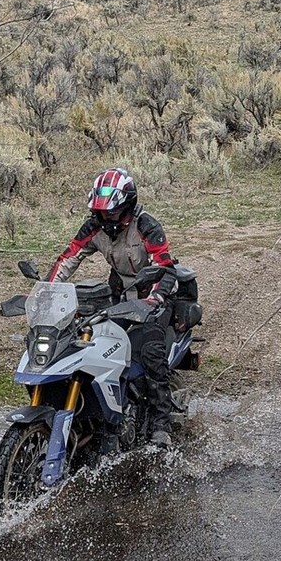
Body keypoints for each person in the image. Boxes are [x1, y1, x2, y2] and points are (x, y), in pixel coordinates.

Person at [47, 167, 178, 448]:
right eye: (102, 212)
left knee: (151, 353)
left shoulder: (146, 225)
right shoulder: (93, 227)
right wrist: (47, 290)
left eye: (113, 211)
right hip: (119, 296)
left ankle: (160, 425)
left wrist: (153, 299)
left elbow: (164, 266)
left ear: (127, 206)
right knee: (94, 344)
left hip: (152, 296)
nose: (108, 217)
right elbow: (69, 258)